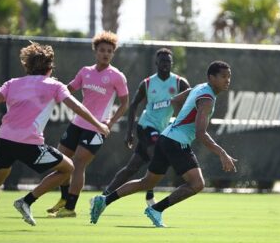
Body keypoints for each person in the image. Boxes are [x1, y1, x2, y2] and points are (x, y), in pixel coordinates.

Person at [0, 42, 110, 231]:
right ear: (50, 67)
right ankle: (27, 201)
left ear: (27, 66)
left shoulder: (13, 83)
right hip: (30, 144)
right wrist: (99, 125)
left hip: (5, 140)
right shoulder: (54, 86)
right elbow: (77, 107)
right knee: (68, 168)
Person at [90, 60, 237, 227]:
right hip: (176, 142)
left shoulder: (200, 88)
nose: (227, 80)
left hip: (165, 137)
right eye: (223, 76)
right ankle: (156, 209)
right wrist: (222, 153)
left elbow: (175, 100)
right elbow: (200, 133)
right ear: (211, 78)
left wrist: (178, 121)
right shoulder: (207, 98)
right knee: (197, 184)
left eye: (229, 76)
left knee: (147, 182)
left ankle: (104, 200)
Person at [48, 31, 129, 217]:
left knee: (77, 164)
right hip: (77, 123)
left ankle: (70, 208)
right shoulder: (85, 72)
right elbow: (68, 90)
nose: (106, 54)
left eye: (109, 51)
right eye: (102, 50)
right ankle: (63, 198)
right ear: (95, 51)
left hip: (97, 127)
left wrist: (110, 122)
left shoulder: (117, 76)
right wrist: (52, 86)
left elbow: (125, 103)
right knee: (61, 161)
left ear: (113, 53)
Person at [102, 48, 190, 206]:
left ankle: (104, 195)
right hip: (146, 126)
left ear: (172, 63)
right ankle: (149, 195)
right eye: (162, 61)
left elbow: (190, 102)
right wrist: (129, 132)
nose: (165, 64)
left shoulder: (179, 82)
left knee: (132, 167)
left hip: (162, 129)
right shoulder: (148, 83)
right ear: (156, 62)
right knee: (158, 155)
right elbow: (133, 105)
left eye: (168, 61)